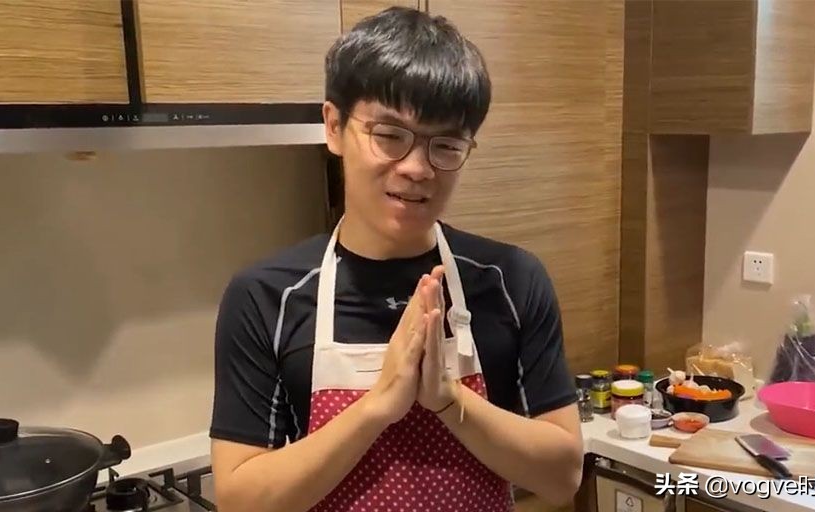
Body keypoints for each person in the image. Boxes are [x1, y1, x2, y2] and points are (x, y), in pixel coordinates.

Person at [209, 7, 583, 512]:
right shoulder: (266, 296)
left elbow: (564, 478)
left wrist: (450, 400)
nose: (417, 168)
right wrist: (377, 407)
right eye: (389, 135)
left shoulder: (512, 280)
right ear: (334, 126)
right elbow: (240, 501)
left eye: (445, 144)